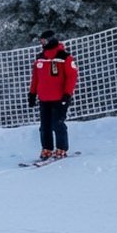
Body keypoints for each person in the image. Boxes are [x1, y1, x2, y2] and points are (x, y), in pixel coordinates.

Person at [27, 30, 79, 159]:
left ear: (50, 40)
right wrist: (32, 93)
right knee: (44, 126)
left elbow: (72, 76)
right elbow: (35, 78)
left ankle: (61, 148)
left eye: (44, 41)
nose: (42, 43)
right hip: (44, 98)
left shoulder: (64, 57)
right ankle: (47, 148)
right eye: (41, 41)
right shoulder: (40, 58)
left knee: (58, 123)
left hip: (59, 97)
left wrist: (67, 94)